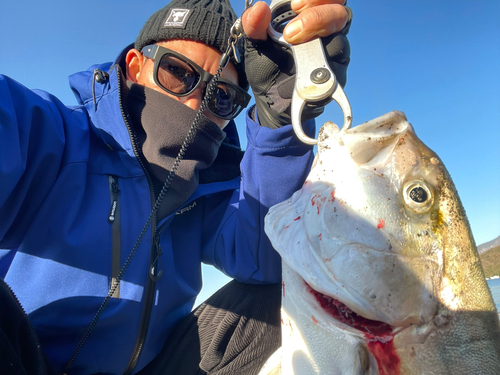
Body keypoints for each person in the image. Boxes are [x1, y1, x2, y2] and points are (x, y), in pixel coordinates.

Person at [0, 0, 351, 373]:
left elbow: (267, 258)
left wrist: (280, 120)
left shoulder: (206, 188)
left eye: (221, 97)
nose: (195, 101)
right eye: (177, 72)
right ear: (136, 66)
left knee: (275, 301)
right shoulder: (49, 136)